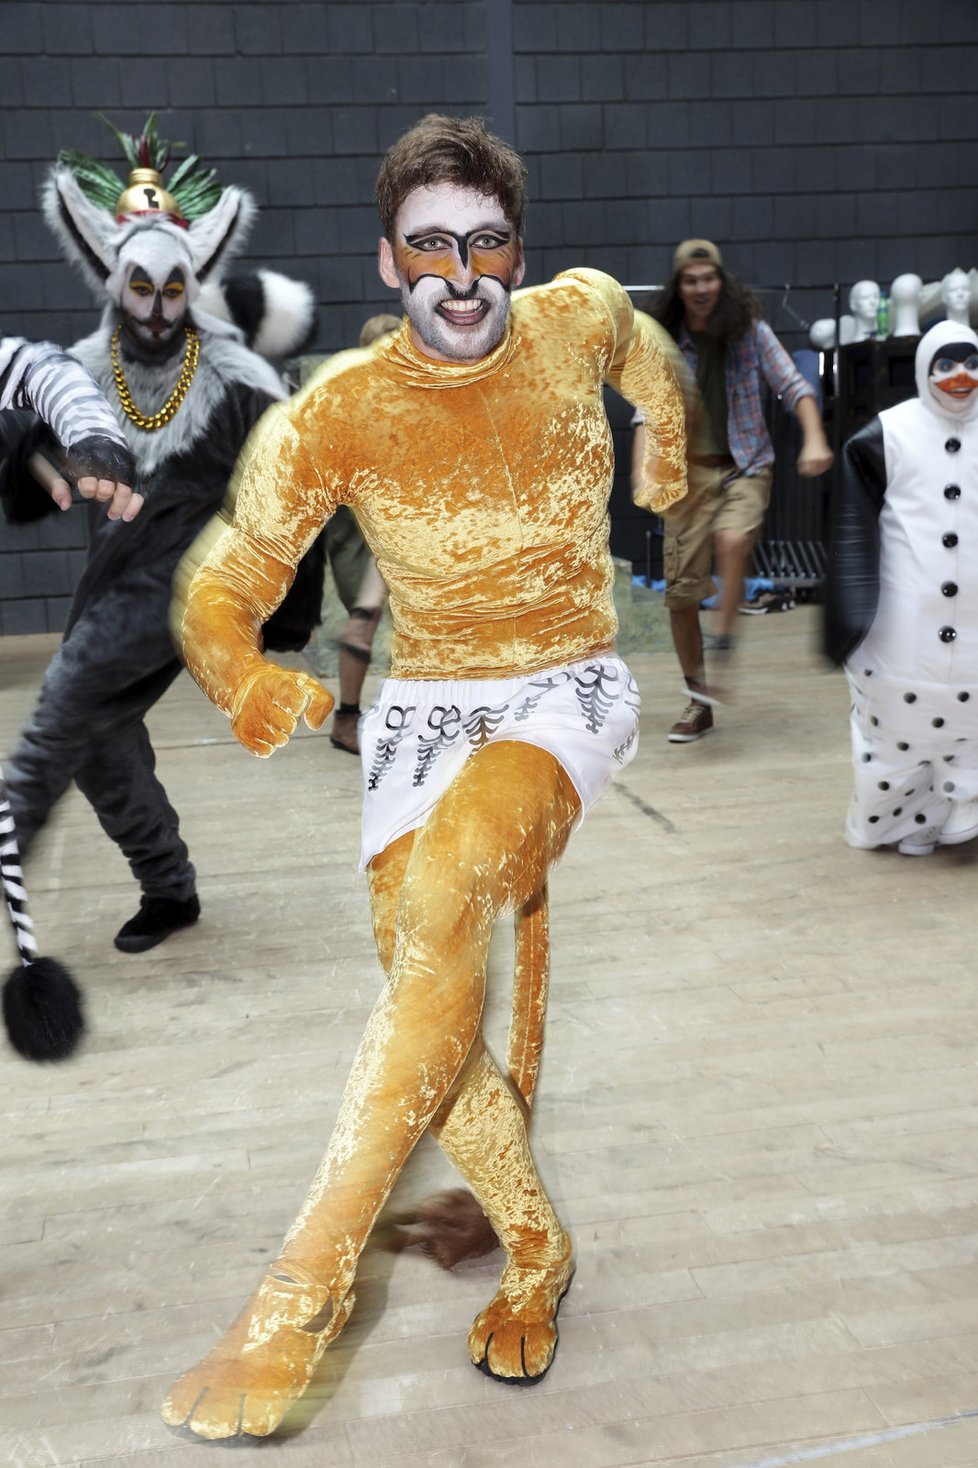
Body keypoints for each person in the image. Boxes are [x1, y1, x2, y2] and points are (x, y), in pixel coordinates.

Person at [161, 113, 687, 1441]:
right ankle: (535, 1246)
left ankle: (300, 1289)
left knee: (451, 899)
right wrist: (242, 676)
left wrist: (664, 442)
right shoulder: (336, 409)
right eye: (431, 245)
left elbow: (646, 345)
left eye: (487, 240)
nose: (463, 272)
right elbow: (221, 586)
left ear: (519, 251)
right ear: (388, 262)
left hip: (561, 686)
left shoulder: (571, 320)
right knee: (428, 1010)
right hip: (424, 715)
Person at [1, 120, 316, 956]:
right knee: (102, 747)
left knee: (63, 701)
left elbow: (305, 477)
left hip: (187, 578)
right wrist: (32, 456)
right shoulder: (77, 368)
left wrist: (286, 613)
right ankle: (169, 888)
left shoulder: (235, 378)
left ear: (190, 284)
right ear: (115, 280)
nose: (153, 310)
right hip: (110, 575)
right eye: (138, 288)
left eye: (170, 292)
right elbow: (27, 445)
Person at [638, 238, 833, 742]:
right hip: (688, 479)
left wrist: (813, 437)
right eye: (691, 279)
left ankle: (723, 639)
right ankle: (698, 698)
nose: (701, 287)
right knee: (680, 600)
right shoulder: (664, 341)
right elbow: (646, 413)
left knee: (732, 541)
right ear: (678, 287)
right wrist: (644, 474)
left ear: (721, 283)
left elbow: (794, 386)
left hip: (745, 467)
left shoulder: (751, 333)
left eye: (709, 278)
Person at [825, 320, 978, 856]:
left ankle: (962, 799)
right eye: (946, 365)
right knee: (896, 728)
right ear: (924, 370)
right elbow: (851, 526)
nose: (961, 377)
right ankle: (897, 822)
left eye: (972, 364)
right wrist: (848, 615)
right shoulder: (885, 436)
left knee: (971, 721)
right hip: (903, 620)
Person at [323, 312, 399, 754]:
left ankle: (420, 712)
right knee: (361, 622)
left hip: (407, 523)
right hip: (356, 524)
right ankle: (346, 719)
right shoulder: (348, 399)